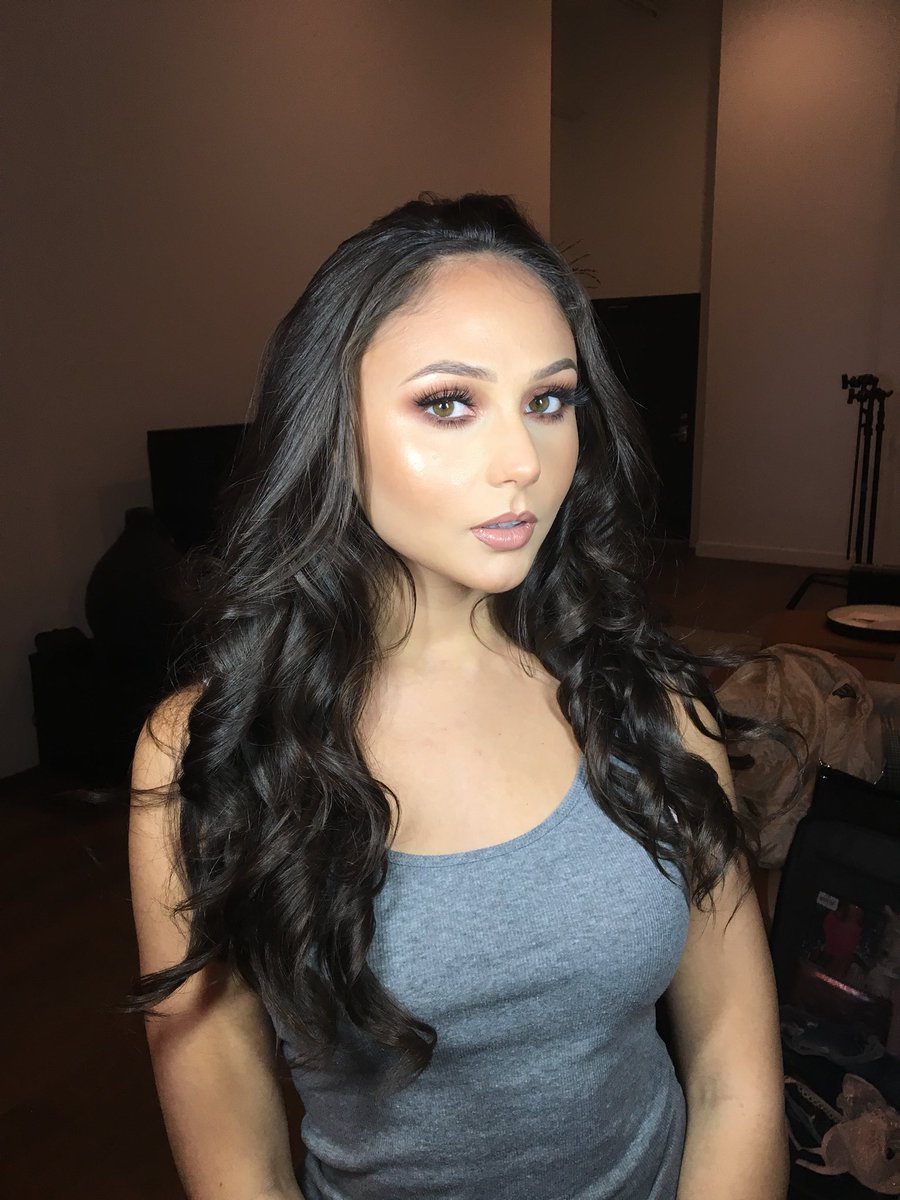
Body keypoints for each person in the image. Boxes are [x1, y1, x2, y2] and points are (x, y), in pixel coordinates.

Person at [129, 192, 790, 1200]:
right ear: (330, 425)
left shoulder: (649, 701)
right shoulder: (209, 749)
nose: (524, 461)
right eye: (448, 403)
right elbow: (234, 1149)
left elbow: (734, 1068)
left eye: (549, 401)